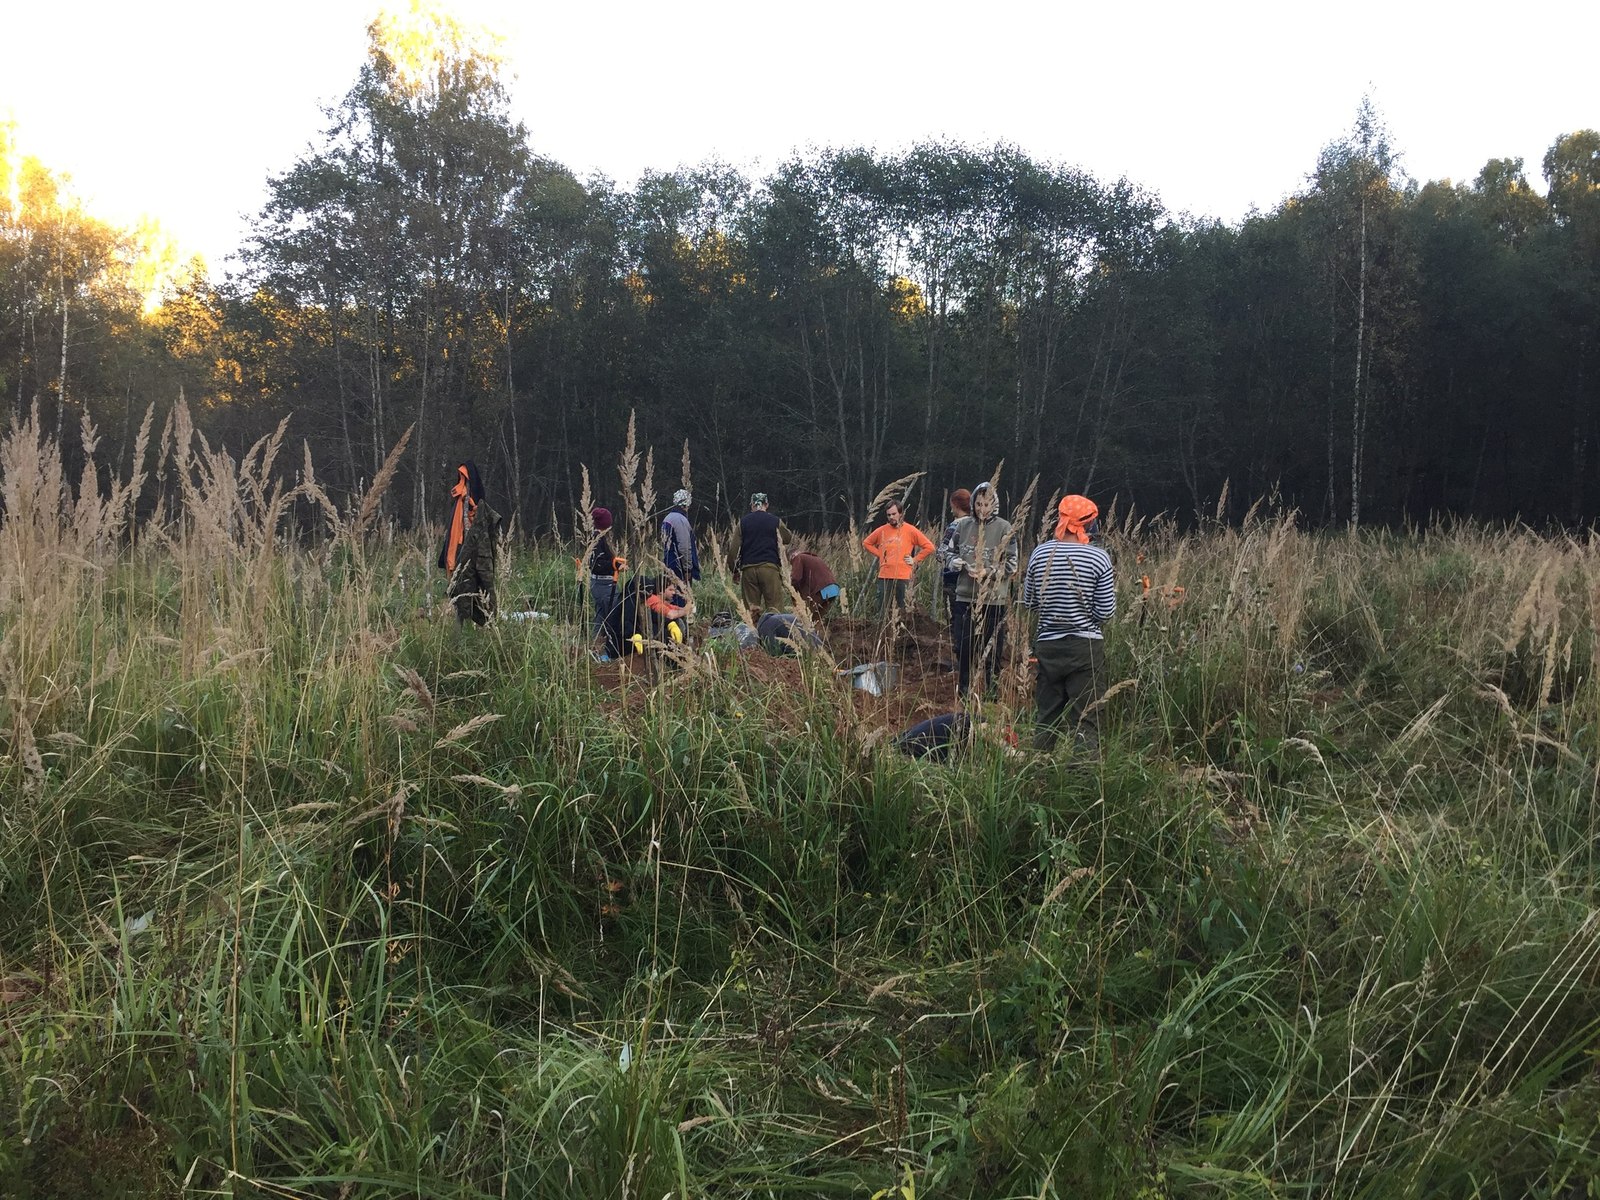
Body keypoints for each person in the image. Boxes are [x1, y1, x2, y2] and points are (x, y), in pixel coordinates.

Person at [1022, 494, 1116, 750]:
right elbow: (1106, 612)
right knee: (1087, 719)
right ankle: (1082, 781)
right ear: (1089, 524)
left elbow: (1029, 602)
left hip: (1048, 646)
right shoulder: (1099, 558)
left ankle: (1037, 775)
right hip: (1085, 648)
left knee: (1046, 718)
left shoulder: (1040, 553)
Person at [943, 481, 1018, 698]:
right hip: (965, 596)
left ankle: (991, 689)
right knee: (964, 645)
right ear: (973, 502)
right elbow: (945, 553)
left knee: (992, 647)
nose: (983, 509)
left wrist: (988, 572)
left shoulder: (1005, 528)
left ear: (995, 504)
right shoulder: (962, 526)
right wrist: (957, 563)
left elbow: (1012, 564)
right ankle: (964, 689)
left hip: (994, 599)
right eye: (979, 504)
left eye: (987, 504)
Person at [439, 460, 501, 626]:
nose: (462, 481)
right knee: (461, 595)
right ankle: (464, 630)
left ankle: (474, 627)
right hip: (458, 555)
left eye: (464, 477)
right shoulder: (459, 500)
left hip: (469, 556)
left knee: (475, 594)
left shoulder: (473, 504)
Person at [862, 501, 935, 618]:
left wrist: (915, 559)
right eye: (889, 515)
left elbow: (929, 547)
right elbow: (866, 543)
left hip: (903, 576)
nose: (891, 517)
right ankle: (881, 632)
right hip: (885, 575)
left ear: (900, 514)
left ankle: (903, 633)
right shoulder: (882, 530)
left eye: (894, 514)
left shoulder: (910, 530)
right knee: (882, 610)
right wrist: (880, 555)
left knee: (904, 610)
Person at [727, 492, 786, 617]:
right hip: (770, 568)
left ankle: (754, 634)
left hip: (749, 571)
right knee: (775, 609)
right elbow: (788, 538)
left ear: (752, 505)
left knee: (752, 612)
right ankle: (774, 634)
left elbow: (733, 551)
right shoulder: (775, 521)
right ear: (767, 504)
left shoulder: (742, 523)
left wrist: (734, 570)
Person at [586, 506, 625, 656]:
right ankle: (611, 649)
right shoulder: (596, 540)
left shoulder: (599, 538)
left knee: (600, 616)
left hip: (601, 584)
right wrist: (617, 565)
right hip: (603, 585)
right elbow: (597, 565)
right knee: (613, 615)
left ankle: (594, 646)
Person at [937, 488, 971, 623]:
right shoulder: (979, 525)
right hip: (972, 583)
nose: (951, 510)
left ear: (955, 505)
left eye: (952, 506)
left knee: (954, 621)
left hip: (953, 580)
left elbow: (941, 553)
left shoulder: (955, 525)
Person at [661, 489, 700, 600]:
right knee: (681, 598)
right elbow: (684, 547)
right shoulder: (680, 520)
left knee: (670, 596)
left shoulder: (667, 518)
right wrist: (688, 569)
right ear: (686, 503)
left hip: (668, 563)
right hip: (679, 567)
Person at [789, 548, 841, 620]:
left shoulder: (798, 557)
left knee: (805, 617)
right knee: (816, 619)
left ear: (792, 556)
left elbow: (796, 578)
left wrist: (792, 592)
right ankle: (819, 630)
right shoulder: (815, 558)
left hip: (822, 589)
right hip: (833, 589)